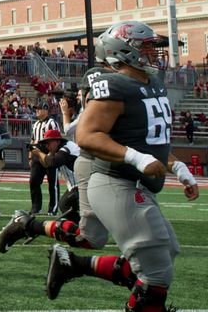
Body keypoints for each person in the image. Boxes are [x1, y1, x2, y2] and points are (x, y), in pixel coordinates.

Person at [45, 22, 199, 310]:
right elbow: (86, 135)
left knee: (165, 252)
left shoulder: (150, 83)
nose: (154, 53)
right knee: (155, 273)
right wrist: (137, 158)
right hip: (116, 181)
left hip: (134, 184)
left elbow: (151, 140)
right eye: (147, 47)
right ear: (124, 51)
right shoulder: (115, 85)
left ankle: (73, 265)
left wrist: (178, 167)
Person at [29, 103, 61, 215]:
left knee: (52, 183)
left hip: (49, 154)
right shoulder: (36, 124)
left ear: (46, 110)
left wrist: (52, 155)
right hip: (37, 155)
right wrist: (30, 157)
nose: (36, 110)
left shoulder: (52, 123)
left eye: (39, 108)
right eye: (36, 109)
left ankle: (53, 209)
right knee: (34, 181)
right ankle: (36, 207)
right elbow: (33, 140)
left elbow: (57, 140)